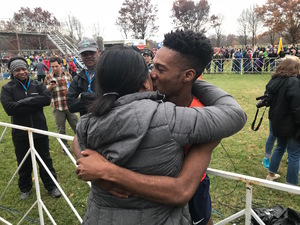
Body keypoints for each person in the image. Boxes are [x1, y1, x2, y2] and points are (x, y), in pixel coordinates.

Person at [75, 30, 247, 225]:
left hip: (190, 189)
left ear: (188, 75)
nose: (152, 74)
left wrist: (106, 172)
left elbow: (80, 135)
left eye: (160, 69)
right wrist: (98, 169)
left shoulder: (92, 119)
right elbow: (235, 114)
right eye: (151, 66)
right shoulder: (168, 115)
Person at [0, 56, 61, 199]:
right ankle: (25, 188)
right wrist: (34, 102)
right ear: (12, 72)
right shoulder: (7, 88)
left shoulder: (37, 85)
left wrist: (22, 102)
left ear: (28, 70)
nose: (21, 72)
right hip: (20, 132)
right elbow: (10, 108)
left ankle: (51, 186)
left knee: (45, 159)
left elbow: (46, 99)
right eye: (17, 70)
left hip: (39, 130)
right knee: (23, 161)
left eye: (23, 69)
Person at [265, 56, 300, 185]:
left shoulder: (276, 80)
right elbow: (297, 106)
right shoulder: (293, 82)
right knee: (294, 154)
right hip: (290, 123)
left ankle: (271, 173)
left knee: (280, 147)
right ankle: (291, 184)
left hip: (278, 121)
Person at [44, 56, 78, 153]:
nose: (54, 69)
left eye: (56, 66)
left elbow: (72, 89)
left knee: (77, 126)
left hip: (70, 106)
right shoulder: (48, 77)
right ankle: (65, 148)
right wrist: (50, 87)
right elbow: (45, 94)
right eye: (52, 67)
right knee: (61, 129)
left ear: (60, 65)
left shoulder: (68, 75)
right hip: (57, 107)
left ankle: (81, 144)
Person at [66, 38, 100, 116]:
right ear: (80, 56)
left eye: (91, 53)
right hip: (87, 125)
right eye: (85, 54)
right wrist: (97, 100)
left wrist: (84, 96)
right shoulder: (77, 79)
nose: (88, 56)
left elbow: (110, 98)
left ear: (98, 52)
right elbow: (71, 106)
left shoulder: (107, 73)